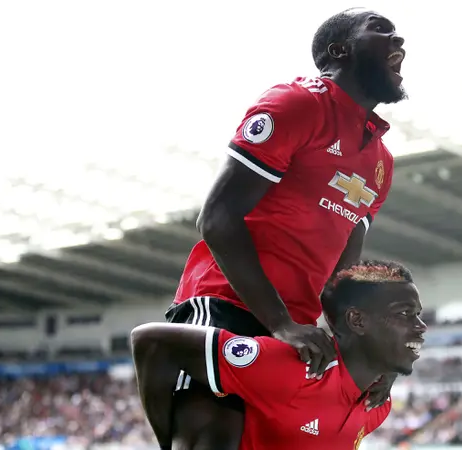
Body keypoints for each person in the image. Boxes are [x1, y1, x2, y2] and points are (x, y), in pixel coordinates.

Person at [145, 7, 409, 450]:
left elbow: (343, 275)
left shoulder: (380, 162)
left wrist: (361, 350)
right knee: (215, 439)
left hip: (297, 326)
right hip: (228, 302)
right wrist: (279, 322)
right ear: (339, 50)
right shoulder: (298, 104)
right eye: (382, 30)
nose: (399, 41)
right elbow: (217, 217)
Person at [133, 260, 427, 450]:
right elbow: (150, 341)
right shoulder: (293, 369)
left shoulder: (378, 404)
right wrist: (164, 439)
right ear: (357, 321)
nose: (421, 326)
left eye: (418, 315)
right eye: (405, 314)